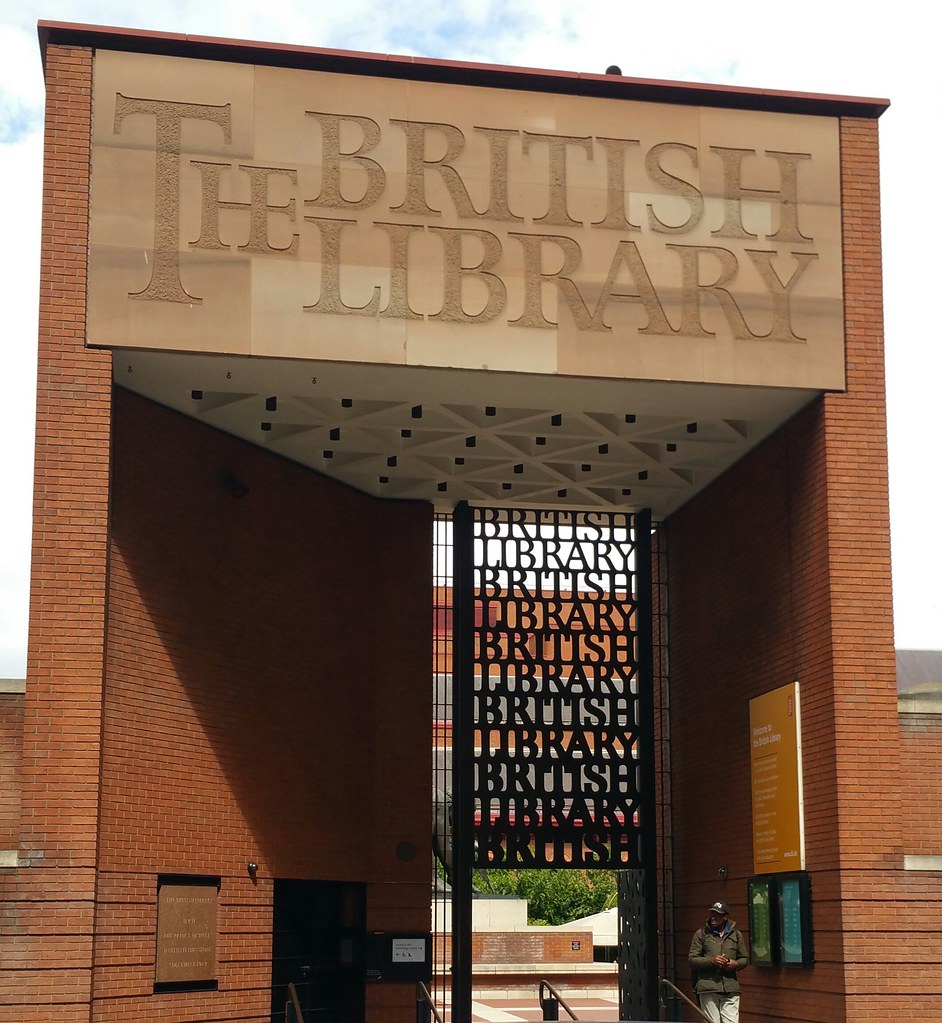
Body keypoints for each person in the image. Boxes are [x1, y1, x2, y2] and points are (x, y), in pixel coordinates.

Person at [688, 900, 748, 1023]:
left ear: (726, 917)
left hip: (730, 987)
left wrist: (735, 964)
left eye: (718, 915)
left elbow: (744, 959)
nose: (713, 918)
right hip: (708, 987)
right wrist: (712, 961)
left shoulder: (736, 935)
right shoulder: (701, 934)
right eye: (712, 914)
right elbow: (692, 960)